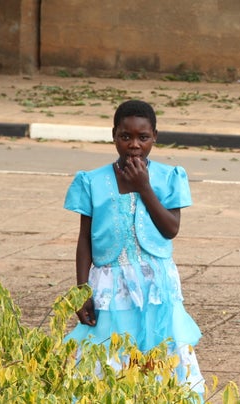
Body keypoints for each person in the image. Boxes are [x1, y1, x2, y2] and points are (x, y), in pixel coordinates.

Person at [63, 99, 205, 400]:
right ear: (113, 135)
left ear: (155, 136)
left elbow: (171, 229)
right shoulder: (92, 181)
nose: (134, 145)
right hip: (109, 284)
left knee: (158, 349)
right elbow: (85, 238)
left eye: (143, 137)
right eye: (125, 137)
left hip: (156, 285)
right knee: (107, 351)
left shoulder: (169, 178)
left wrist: (144, 187)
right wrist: (81, 290)